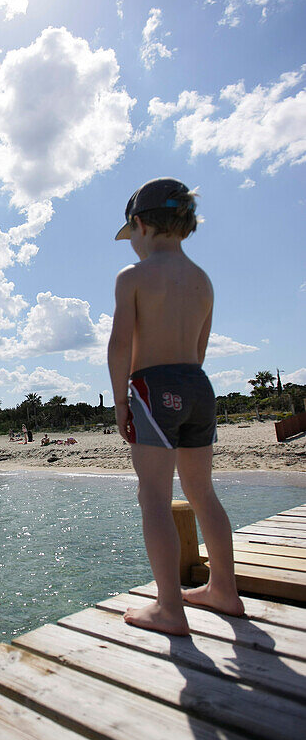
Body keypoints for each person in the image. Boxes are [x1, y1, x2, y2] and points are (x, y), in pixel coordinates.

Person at [108, 177, 244, 636]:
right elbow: (201, 350)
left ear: (140, 225)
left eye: (132, 237)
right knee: (202, 492)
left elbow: (120, 345)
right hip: (198, 385)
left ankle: (170, 608)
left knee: (154, 497)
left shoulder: (133, 278)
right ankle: (224, 588)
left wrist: (122, 402)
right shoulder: (203, 280)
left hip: (153, 386)